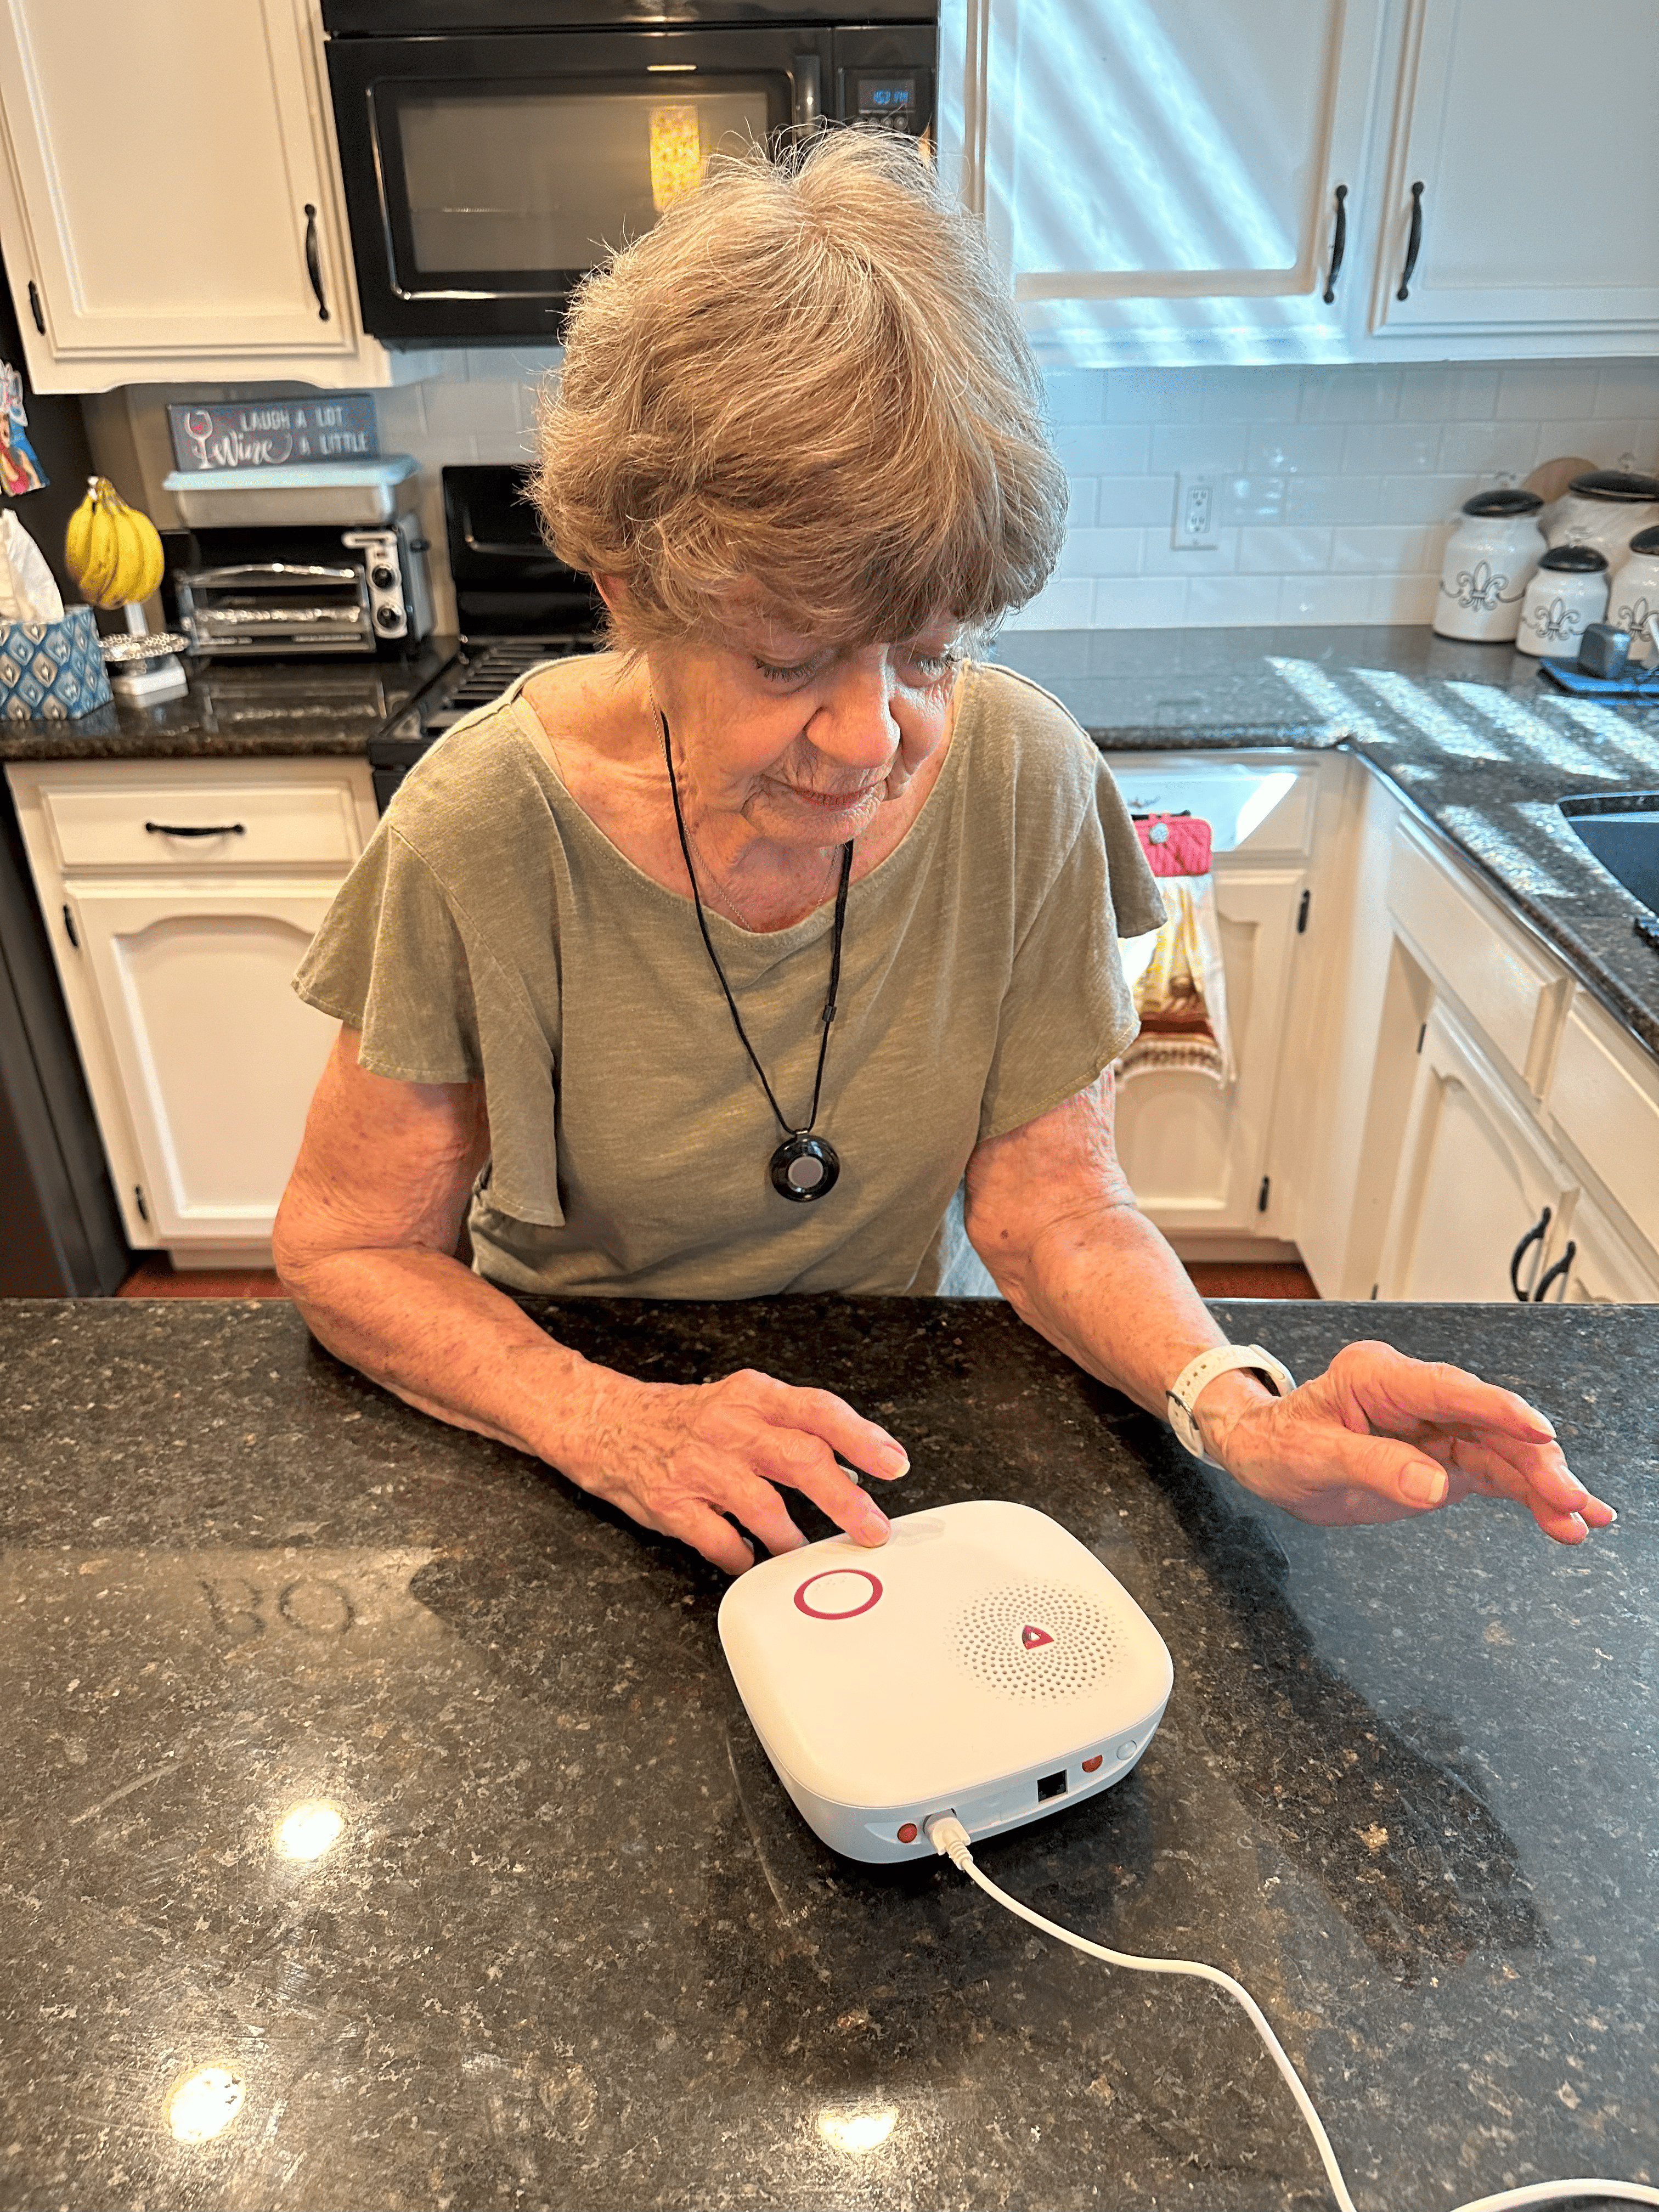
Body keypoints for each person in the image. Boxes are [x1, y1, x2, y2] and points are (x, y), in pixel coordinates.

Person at [273, 130, 1611, 1575]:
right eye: (791, 660)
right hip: (578, 1435)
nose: (873, 739)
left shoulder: (1023, 780)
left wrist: (1235, 1405)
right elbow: (349, 1249)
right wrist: (607, 1421)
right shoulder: (480, 829)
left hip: (924, 1425)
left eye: (927, 654)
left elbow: (1049, 1213)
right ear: (627, 593)